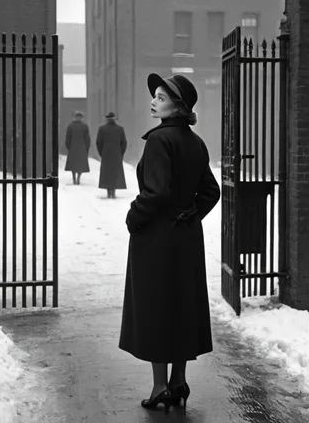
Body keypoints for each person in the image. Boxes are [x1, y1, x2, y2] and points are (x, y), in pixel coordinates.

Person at [119, 73, 220, 414]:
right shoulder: (196, 143)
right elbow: (211, 191)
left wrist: (135, 217)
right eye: (155, 96)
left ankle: (160, 386)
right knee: (180, 306)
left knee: (158, 308)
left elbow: (156, 192)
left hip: (158, 239)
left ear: (178, 107)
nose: (153, 101)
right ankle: (179, 381)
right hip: (186, 239)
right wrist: (190, 215)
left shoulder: (159, 141)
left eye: (161, 98)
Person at [96, 112, 127, 198]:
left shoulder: (102, 129)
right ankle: (113, 191)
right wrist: (121, 153)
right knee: (115, 173)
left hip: (106, 153)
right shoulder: (120, 129)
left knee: (107, 173)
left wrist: (101, 153)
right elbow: (124, 143)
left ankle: (108, 192)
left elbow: (99, 142)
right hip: (116, 153)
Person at [64, 111, 90, 185]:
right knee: (80, 165)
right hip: (82, 148)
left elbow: (67, 138)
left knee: (73, 164)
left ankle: (74, 177)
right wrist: (86, 148)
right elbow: (87, 139)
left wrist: (69, 148)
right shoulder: (85, 126)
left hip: (73, 148)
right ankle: (78, 177)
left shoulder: (70, 126)